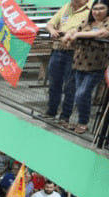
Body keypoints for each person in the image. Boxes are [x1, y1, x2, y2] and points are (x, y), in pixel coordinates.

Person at [62, 0, 109, 134]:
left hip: (96, 65)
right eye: (95, 9)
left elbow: (101, 33)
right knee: (80, 95)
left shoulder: (107, 23)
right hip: (79, 63)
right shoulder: (87, 23)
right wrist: (69, 35)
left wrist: (77, 35)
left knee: (82, 94)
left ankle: (83, 122)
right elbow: (73, 32)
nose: (97, 12)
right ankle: (80, 121)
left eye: (101, 8)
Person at [45, 0, 92, 126]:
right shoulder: (67, 7)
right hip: (57, 49)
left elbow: (91, 29)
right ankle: (51, 112)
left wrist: (73, 34)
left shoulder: (92, 9)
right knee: (54, 82)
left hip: (75, 53)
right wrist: (52, 30)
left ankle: (65, 116)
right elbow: (50, 23)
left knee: (70, 86)